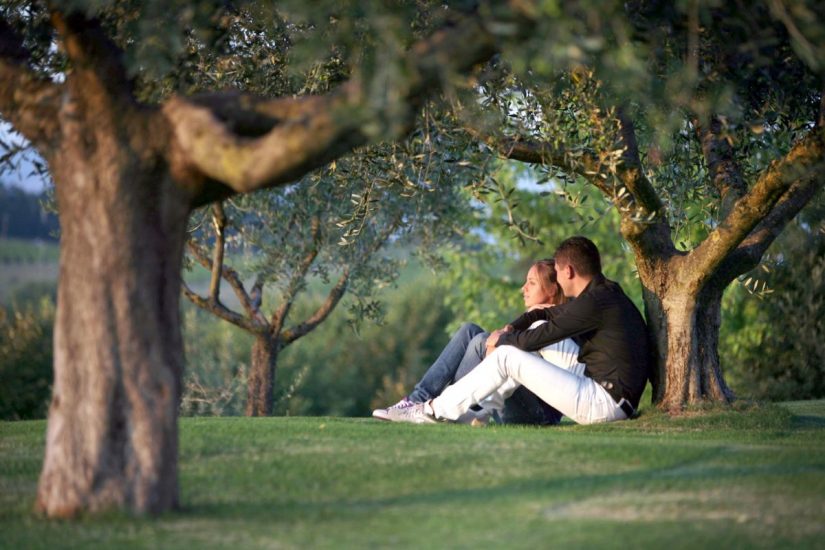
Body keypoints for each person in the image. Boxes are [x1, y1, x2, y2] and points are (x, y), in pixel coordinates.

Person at [382, 236, 651, 425]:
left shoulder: (595, 301)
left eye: (556, 273)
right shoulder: (603, 294)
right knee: (519, 341)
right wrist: (512, 329)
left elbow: (544, 335)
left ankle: (431, 410)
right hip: (606, 396)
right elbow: (545, 314)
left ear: (568, 271)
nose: (556, 279)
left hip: (603, 403)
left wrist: (503, 340)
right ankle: (472, 411)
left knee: (508, 354)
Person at [372, 259, 584, 425]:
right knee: (469, 330)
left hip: (537, 414)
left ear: (553, 289)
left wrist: (497, 343)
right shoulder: (536, 316)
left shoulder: (557, 324)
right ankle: (419, 401)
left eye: (532, 282)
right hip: (517, 402)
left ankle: (444, 410)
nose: (523, 288)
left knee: (481, 341)